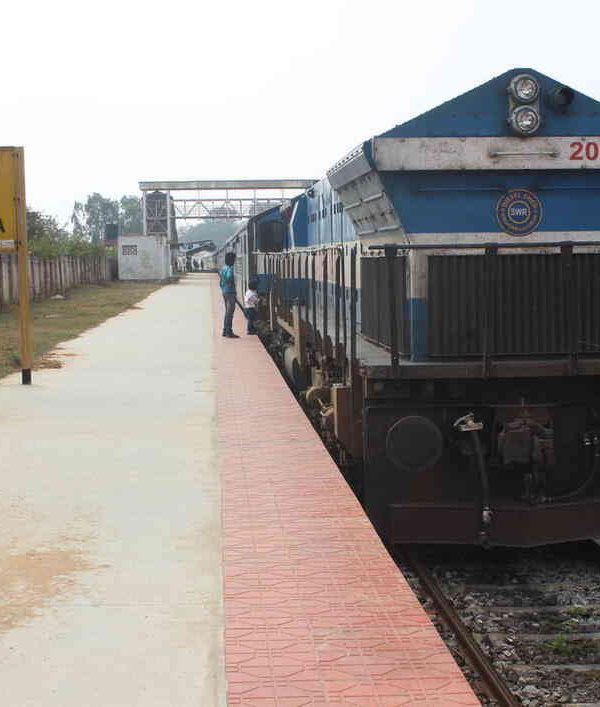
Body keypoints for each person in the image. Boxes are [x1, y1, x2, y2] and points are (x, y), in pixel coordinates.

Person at [219, 253, 239, 338]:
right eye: (234, 259)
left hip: (225, 291)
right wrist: (232, 285)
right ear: (231, 260)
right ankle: (229, 332)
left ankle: (225, 330)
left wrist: (224, 288)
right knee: (230, 313)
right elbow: (229, 277)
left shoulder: (223, 268)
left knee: (227, 312)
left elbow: (220, 282)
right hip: (230, 292)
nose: (234, 261)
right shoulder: (230, 268)